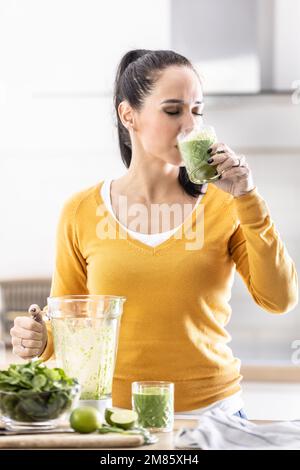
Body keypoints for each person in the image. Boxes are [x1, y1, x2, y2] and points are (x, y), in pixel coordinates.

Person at [10, 49, 298, 418]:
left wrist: (248, 197)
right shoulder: (80, 211)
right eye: (173, 110)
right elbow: (68, 316)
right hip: (115, 419)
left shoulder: (227, 203)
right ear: (128, 114)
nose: (190, 126)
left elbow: (280, 299)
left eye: (197, 111)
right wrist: (40, 337)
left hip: (211, 416)